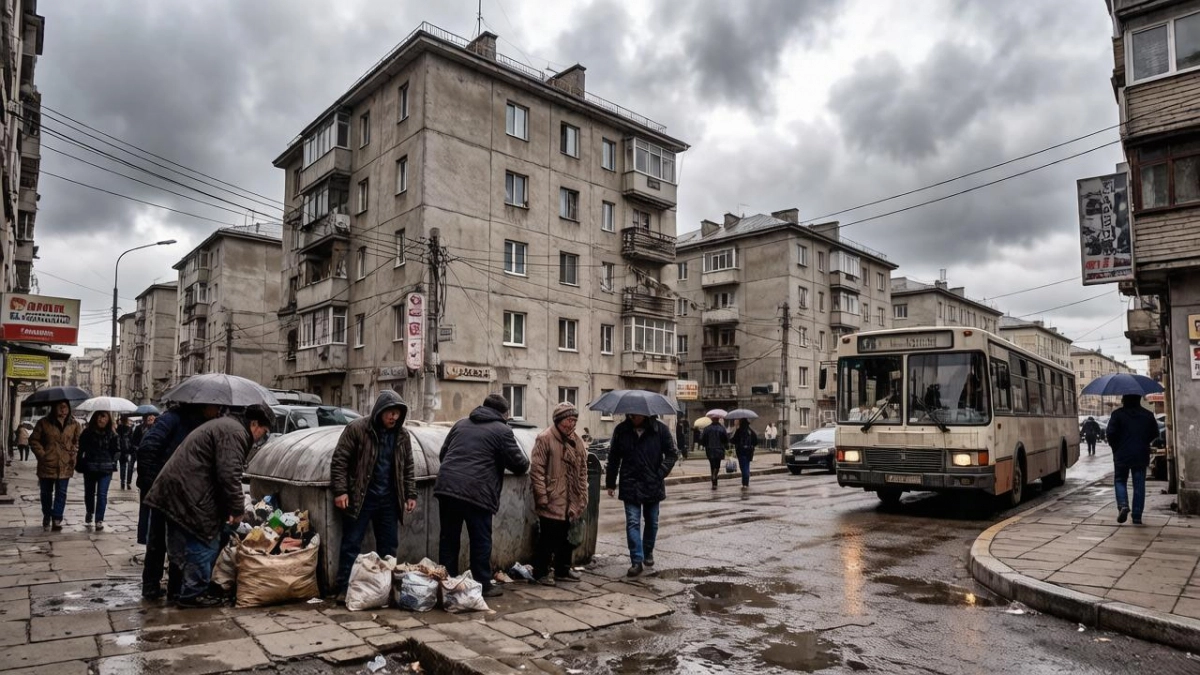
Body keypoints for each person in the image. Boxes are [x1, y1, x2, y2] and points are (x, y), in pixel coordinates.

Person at [145, 403, 273, 608]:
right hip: (189, 493)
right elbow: (229, 474)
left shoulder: (227, 426)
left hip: (176, 490)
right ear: (255, 424)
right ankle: (193, 594)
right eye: (264, 432)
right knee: (205, 539)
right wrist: (237, 509)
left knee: (180, 547)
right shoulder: (235, 433)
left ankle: (177, 590)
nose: (261, 438)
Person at [434, 393, 529, 597]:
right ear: (504, 414)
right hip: (477, 492)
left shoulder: (460, 424)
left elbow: (443, 454)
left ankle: (447, 584)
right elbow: (520, 464)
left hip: (447, 487)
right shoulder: (502, 430)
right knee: (480, 539)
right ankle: (483, 584)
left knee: (448, 538)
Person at [330, 390, 417, 596]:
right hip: (361, 497)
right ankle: (344, 589)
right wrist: (341, 491)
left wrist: (410, 494)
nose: (394, 417)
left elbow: (408, 466)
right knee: (352, 544)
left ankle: (387, 589)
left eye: (397, 413)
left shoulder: (402, 435)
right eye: (390, 413)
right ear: (379, 411)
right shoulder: (357, 429)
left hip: (389, 499)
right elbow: (340, 460)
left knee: (389, 546)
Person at [136, 403, 220, 600]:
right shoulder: (172, 419)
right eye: (215, 406)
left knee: (179, 539)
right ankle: (151, 586)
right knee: (158, 538)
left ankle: (175, 587)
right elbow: (147, 447)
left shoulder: (201, 422)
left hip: (184, 490)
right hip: (166, 487)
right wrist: (152, 481)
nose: (218, 410)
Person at [605, 413, 678, 577]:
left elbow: (672, 454)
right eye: (630, 414)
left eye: (636, 415)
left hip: (652, 483)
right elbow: (614, 457)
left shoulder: (660, 429)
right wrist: (610, 483)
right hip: (630, 483)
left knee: (652, 521)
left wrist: (660, 473)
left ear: (645, 414)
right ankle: (636, 561)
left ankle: (648, 550)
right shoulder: (621, 430)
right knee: (632, 522)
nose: (633, 417)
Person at [529, 402, 588, 585]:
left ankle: (562, 570)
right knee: (548, 538)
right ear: (558, 420)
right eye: (568, 420)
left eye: (574, 420)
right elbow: (537, 470)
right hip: (552, 496)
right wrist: (542, 496)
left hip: (571, 498)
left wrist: (582, 495)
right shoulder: (545, 438)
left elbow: (583, 470)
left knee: (566, 537)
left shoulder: (577, 441)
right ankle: (540, 573)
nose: (571, 424)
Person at [1104, 394, 1159, 525]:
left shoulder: (1117, 414)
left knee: (1120, 480)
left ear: (1124, 399)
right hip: (1141, 453)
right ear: (1139, 399)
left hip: (1121, 453)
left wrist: (1115, 447)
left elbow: (1110, 433)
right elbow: (1155, 433)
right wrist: (1144, 442)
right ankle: (1137, 516)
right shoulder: (1148, 415)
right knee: (1139, 484)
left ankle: (1123, 504)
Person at [30, 400, 82, 531]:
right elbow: (34, 440)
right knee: (46, 493)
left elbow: (78, 441)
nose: (63, 409)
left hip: (65, 464)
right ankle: (47, 514)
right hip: (47, 463)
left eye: (65, 407)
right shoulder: (43, 423)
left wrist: (74, 451)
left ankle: (57, 518)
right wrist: (42, 455)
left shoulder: (74, 424)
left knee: (61, 492)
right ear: (54, 408)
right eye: (60, 407)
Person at [78, 410, 119, 531]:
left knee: (102, 494)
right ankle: (90, 511)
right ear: (95, 419)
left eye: (104, 417)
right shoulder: (87, 433)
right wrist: (80, 463)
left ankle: (99, 519)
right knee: (89, 493)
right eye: (99, 417)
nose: (102, 420)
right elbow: (81, 449)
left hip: (106, 468)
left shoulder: (112, 434)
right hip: (90, 467)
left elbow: (117, 450)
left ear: (108, 419)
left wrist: (112, 461)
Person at [130, 412, 157, 545]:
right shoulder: (142, 430)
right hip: (150, 476)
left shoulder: (152, 432)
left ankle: (145, 538)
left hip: (147, 476)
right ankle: (145, 538)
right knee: (148, 509)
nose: (151, 418)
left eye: (153, 417)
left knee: (146, 508)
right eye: (149, 417)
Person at [698, 416, 729, 490]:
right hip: (719, 449)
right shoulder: (722, 428)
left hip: (709, 449)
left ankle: (714, 482)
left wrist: (705, 444)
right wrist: (726, 446)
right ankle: (714, 476)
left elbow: (702, 439)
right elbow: (725, 439)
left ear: (711, 420)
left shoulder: (707, 429)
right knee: (717, 465)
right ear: (718, 419)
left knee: (712, 465)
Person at [730, 419, 758, 490]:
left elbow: (734, 440)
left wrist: (731, 439)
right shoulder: (751, 431)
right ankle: (746, 482)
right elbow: (756, 441)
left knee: (743, 467)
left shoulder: (739, 431)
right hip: (749, 451)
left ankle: (745, 483)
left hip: (741, 451)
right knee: (747, 466)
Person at [116, 415, 135, 489]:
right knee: (130, 467)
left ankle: (122, 482)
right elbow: (132, 440)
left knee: (122, 467)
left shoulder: (118, 428)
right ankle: (128, 482)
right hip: (128, 450)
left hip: (120, 450)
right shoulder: (129, 429)